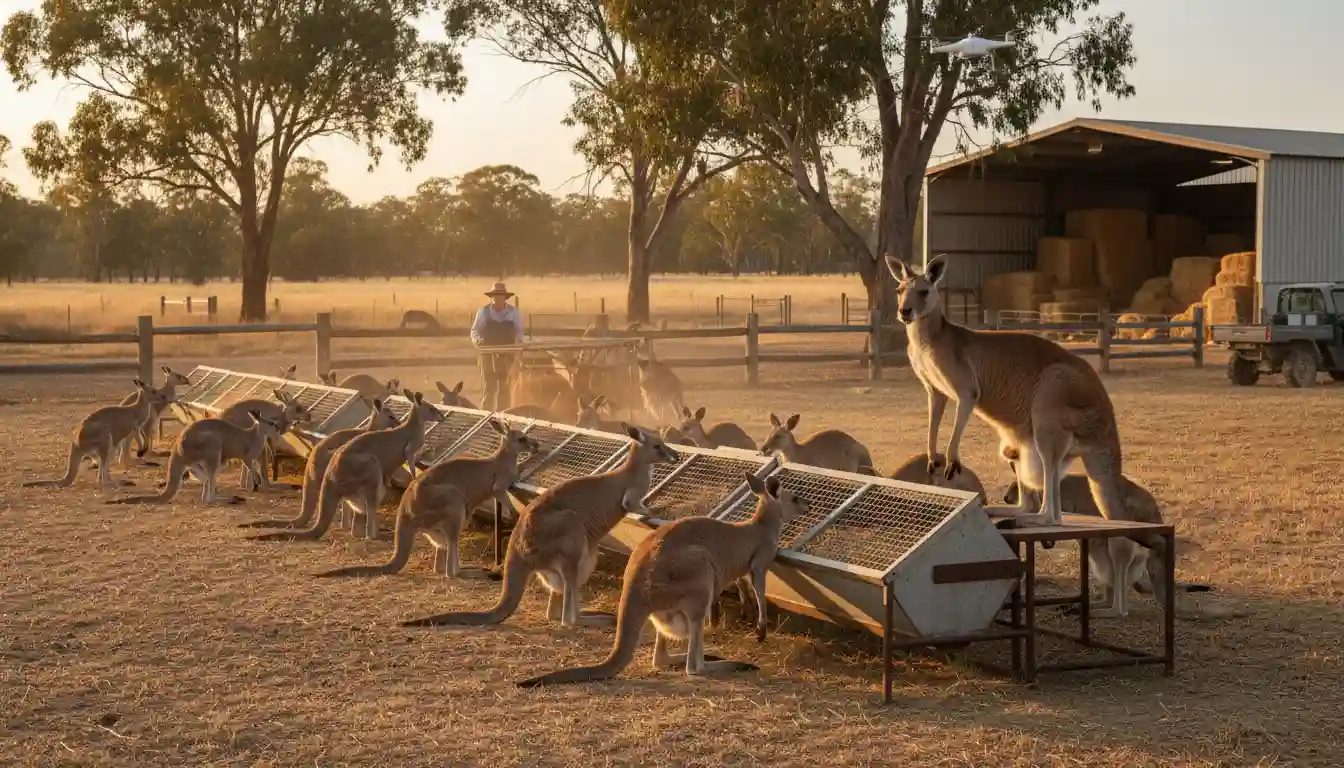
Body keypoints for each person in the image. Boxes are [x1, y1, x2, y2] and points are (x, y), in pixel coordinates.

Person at [470, 281, 525, 411]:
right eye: (495, 296)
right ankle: (486, 417)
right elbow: (475, 331)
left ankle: (503, 416)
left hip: (507, 356)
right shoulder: (483, 312)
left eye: (500, 296)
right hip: (488, 356)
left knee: (504, 390)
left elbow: (519, 331)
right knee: (489, 389)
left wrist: (518, 344)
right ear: (491, 297)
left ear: (505, 297)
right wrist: (478, 341)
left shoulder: (513, 313)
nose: (497, 299)